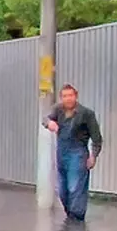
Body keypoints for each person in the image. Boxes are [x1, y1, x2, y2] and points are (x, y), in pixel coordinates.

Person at [43, 84, 103, 221]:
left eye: (70, 95)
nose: (68, 99)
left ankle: (76, 221)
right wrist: (49, 123)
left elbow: (97, 138)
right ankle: (71, 216)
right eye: (65, 96)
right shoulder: (58, 110)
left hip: (78, 153)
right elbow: (45, 118)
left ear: (76, 96)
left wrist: (93, 156)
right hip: (61, 153)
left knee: (75, 188)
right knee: (63, 190)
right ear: (61, 98)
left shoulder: (86, 114)